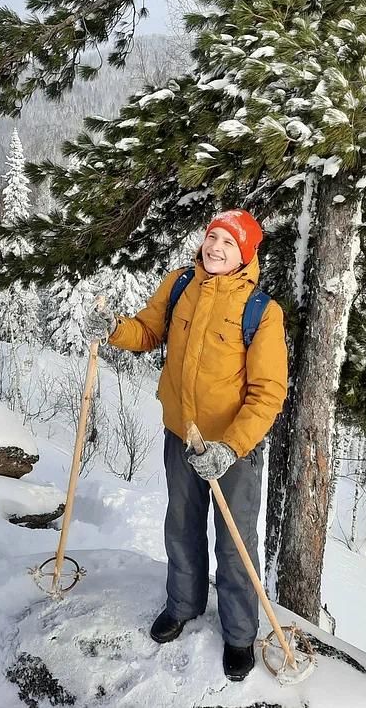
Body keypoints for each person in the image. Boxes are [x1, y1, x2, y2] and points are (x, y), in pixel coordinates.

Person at [85, 209, 288, 682]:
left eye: (228, 243)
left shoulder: (261, 311)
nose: (215, 248)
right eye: (212, 237)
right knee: (181, 524)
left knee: (235, 543)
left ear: (246, 254)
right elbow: (148, 330)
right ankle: (182, 605)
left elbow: (268, 392)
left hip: (230, 450)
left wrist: (231, 446)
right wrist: (113, 329)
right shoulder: (180, 285)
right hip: (182, 437)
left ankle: (239, 634)